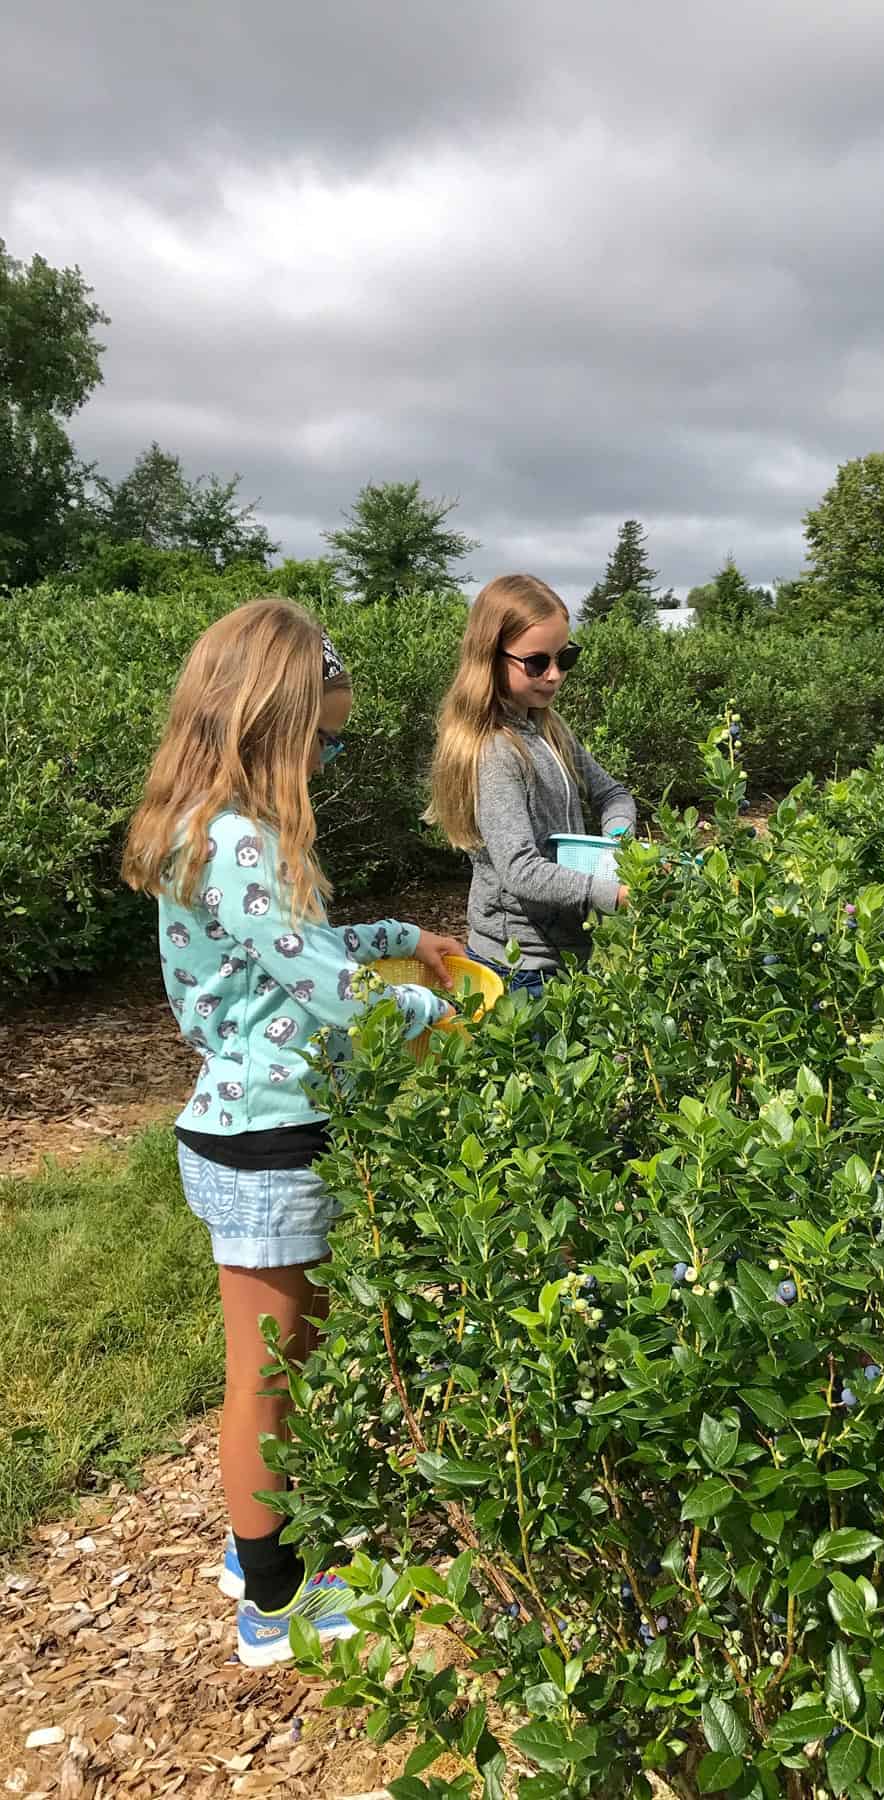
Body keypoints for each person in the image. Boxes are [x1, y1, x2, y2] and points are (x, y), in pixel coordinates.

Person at [122, 597, 465, 1666]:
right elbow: (321, 985)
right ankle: (273, 1607)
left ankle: (258, 1549)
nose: (328, 752)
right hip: (265, 1141)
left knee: (287, 1358)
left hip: (264, 1127)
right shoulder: (236, 843)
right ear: (271, 720)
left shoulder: (229, 838)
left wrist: (406, 936)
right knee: (265, 1379)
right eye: (323, 733)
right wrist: (430, 1013)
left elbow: (293, 948)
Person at [426, 573, 636, 997]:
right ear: (490, 657)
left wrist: (616, 840)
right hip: (518, 964)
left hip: (563, 951)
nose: (555, 675)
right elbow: (520, 870)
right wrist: (612, 894)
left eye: (565, 658)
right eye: (538, 662)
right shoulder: (495, 751)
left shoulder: (548, 728)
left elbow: (613, 794)